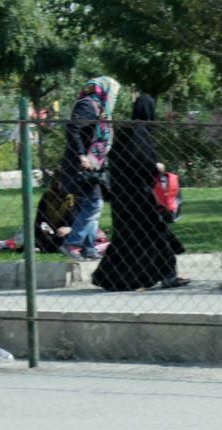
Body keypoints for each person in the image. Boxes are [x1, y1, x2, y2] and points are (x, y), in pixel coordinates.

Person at [92, 94, 187, 291]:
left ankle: (108, 277)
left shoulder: (125, 131)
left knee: (128, 238)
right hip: (139, 197)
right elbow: (141, 161)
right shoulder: (140, 132)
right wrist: (156, 167)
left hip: (122, 196)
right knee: (156, 234)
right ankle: (168, 275)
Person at [57, 77, 120, 261]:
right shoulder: (88, 105)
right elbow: (73, 129)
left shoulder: (97, 108)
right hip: (81, 166)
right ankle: (72, 243)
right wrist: (81, 155)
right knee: (94, 203)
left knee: (88, 203)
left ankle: (89, 248)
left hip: (91, 166)